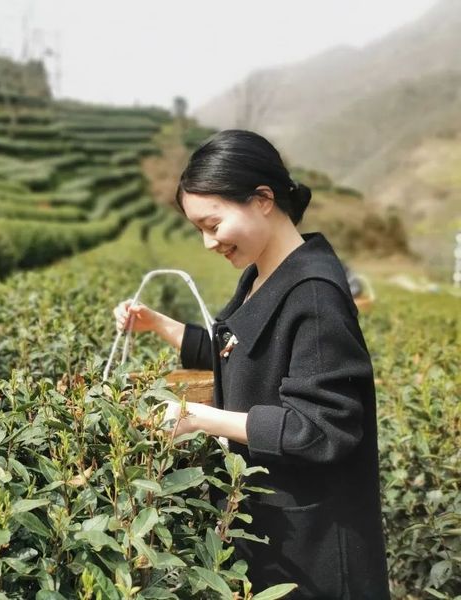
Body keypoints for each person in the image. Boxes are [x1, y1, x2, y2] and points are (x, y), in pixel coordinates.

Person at [113, 130, 389, 599]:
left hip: (315, 548)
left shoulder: (314, 294)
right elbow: (243, 355)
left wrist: (199, 418)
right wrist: (159, 324)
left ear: (262, 199)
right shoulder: (263, 275)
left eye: (213, 223)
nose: (207, 242)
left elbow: (324, 427)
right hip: (274, 530)